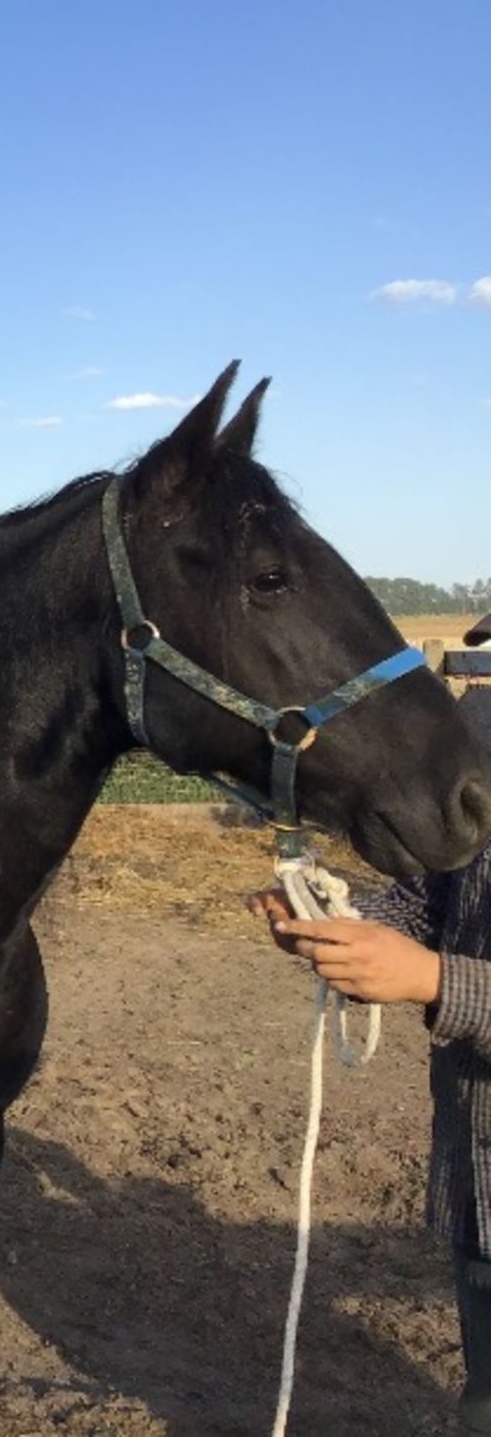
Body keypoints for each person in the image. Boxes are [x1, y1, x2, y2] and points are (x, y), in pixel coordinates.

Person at [249, 611, 491, 1426]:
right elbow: (435, 901)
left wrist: (429, 980)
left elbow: (434, 963)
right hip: (482, 1185)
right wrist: (345, 927)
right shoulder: (484, 752)